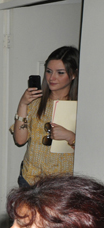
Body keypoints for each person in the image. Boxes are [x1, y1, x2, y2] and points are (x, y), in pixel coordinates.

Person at [11, 46, 78, 187]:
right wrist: (22, 104)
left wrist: (70, 136)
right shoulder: (35, 102)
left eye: (60, 73)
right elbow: (20, 140)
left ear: (73, 75)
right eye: (48, 71)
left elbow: (93, 149)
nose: (52, 78)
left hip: (63, 184)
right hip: (30, 178)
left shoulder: (82, 107)